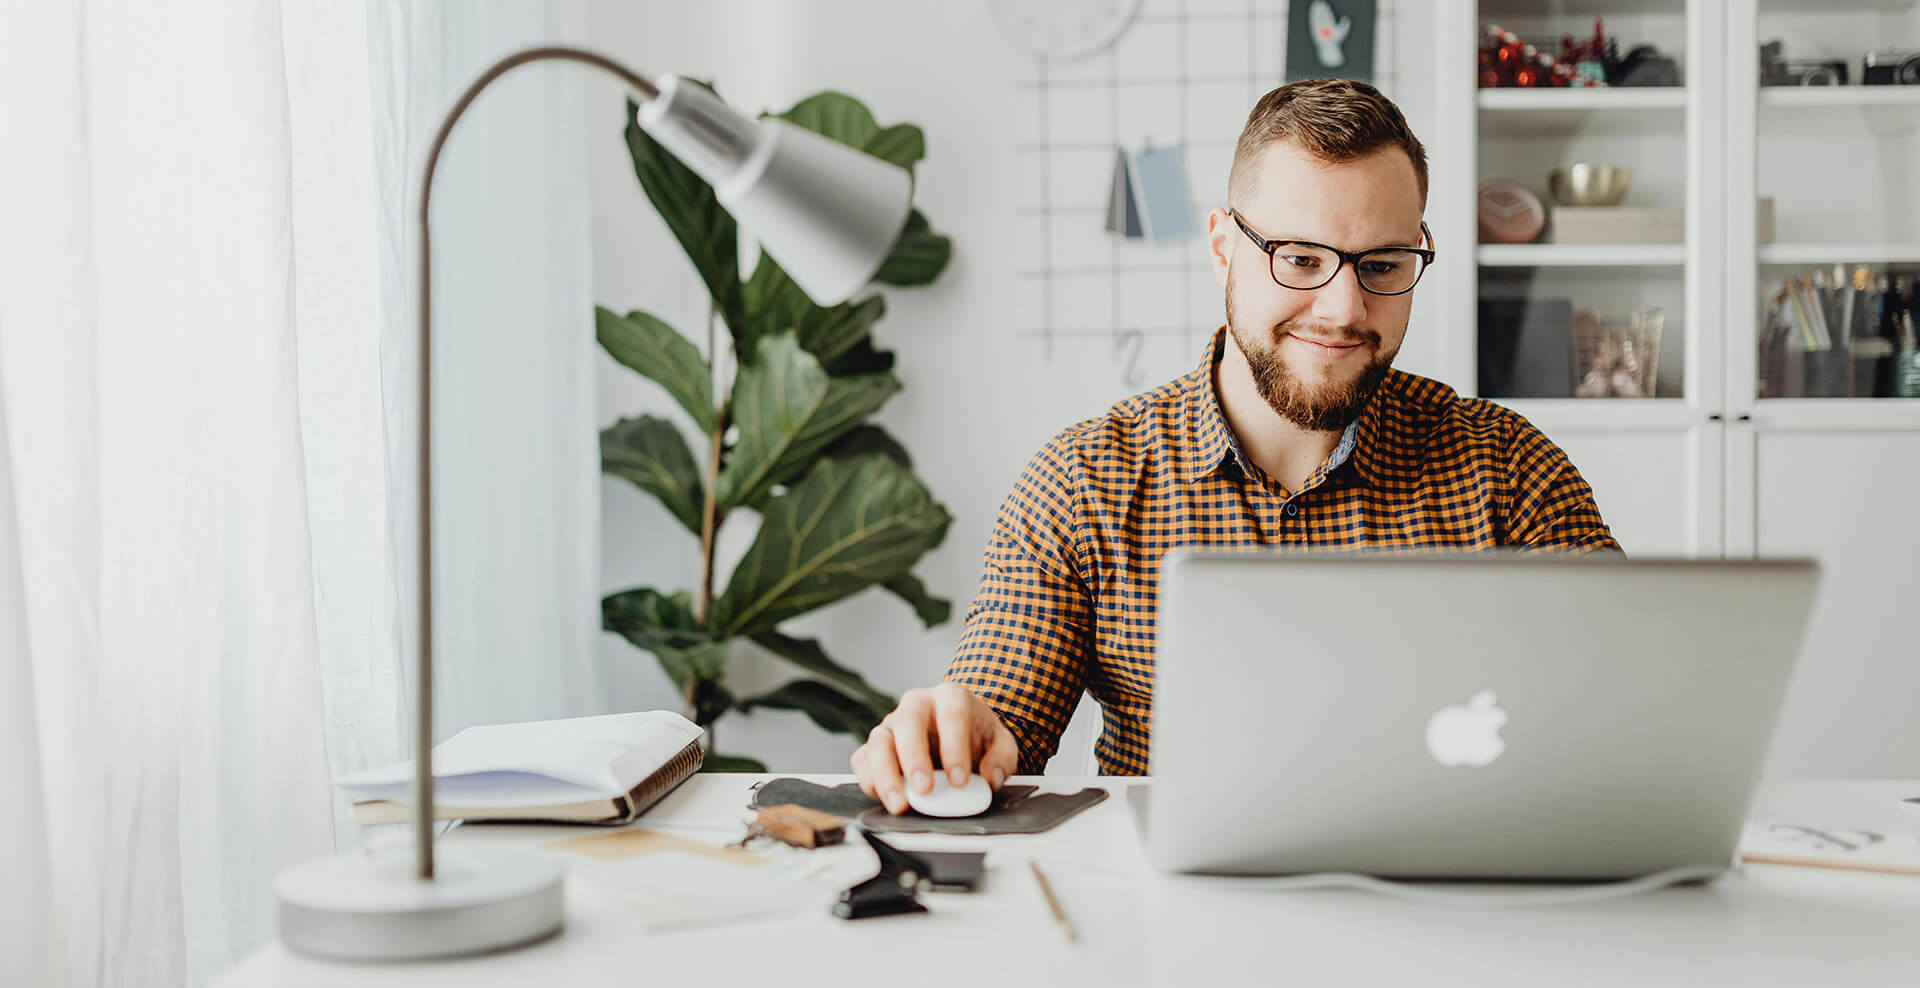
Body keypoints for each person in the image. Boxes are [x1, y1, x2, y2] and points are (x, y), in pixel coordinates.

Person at [851, 78, 1620, 814]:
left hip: (1450, 906)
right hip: (1174, 922)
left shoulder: (1510, 469)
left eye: (1383, 265)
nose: (1345, 309)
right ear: (1223, 246)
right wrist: (958, 737)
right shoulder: (1084, 480)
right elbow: (1000, 714)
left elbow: (1630, 703)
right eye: (1301, 259)